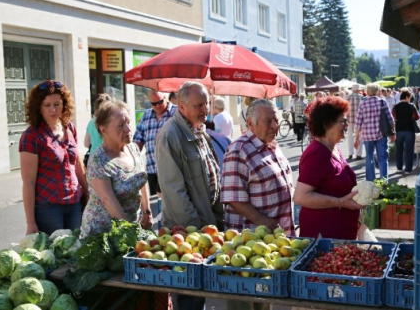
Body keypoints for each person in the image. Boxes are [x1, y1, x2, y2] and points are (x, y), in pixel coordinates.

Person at [154, 82, 224, 310]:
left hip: (206, 227)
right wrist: (195, 230)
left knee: (199, 294)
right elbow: (174, 191)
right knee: (189, 297)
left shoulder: (199, 129)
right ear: (181, 106)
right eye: (199, 105)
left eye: (207, 103)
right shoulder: (170, 135)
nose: (205, 109)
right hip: (187, 232)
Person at [19, 80, 88, 235]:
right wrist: (30, 223)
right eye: (47, 105)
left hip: (74, 202)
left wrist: (88, 191)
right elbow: (28, 182)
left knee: (76, 248)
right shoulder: (32, 135)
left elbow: (77, 164)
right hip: (48, 207)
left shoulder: (69, 128)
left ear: (64, 104)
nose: (52, 110)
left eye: (57, 104)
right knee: (56, 253)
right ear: (38, 107)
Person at [294, 96, 364, 240]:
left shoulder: (333, 147)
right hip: (324, 236)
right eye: (342, 121)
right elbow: (301, 197)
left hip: (340, 233)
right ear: (326, 124)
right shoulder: (317, 154)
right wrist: (339, 202)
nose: (346, 125)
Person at [221, 99, 295, 234]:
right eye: (268, 121)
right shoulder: (239, 150)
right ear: (250, 123)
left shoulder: (272, 144)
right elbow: (232, 198)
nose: (274, 126)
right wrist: (261, 220)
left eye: (276, 120)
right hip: (254, 240)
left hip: (279, 237)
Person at [81, 98, 151, 237]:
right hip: (103, 235)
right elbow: (108, 200)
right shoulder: (98, 160)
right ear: (104, 129)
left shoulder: (133, 149)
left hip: (129, 227)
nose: (128, 129)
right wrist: (132, 234)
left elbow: (142, 179)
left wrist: (147, 211)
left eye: (128, 123)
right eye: (120, 125)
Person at [133, 90, 176, 200]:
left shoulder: (177, 112)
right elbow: (138, 139)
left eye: (160, 102)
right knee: (156, 205)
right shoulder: (146, 115)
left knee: (173, 202)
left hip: (172, 169)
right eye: (153, 104)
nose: (157, 106)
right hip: (152, 169)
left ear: (165, 98)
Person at [355, 83, 395, 181]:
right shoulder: (383, 102)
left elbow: (358, 122)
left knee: (369, 158)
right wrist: (393, 133)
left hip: (367, 136)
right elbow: (390, 119)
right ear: (378, 91)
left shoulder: (363, 103)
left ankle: (370, 182)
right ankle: (383, 183)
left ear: (367, 92)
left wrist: (356, 138)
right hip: (381, 134)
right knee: (383, 158)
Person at [393, 91, 420, 175]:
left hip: (399, 130)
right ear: (407, 97)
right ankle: (408, 169)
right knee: (409, 150)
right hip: (409, 130)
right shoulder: (411, 106)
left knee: (399, 150)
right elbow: (417, 117)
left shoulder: (396, 107)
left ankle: (399, 168)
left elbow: (393, 118)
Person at [345, 84, 364, 159]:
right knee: (359, 137)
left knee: (350, 136)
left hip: (350, 119)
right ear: (358, 90)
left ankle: (350, 153)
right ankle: (358, 154)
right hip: (360, 119)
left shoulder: (347, 97)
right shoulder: (362, 97)